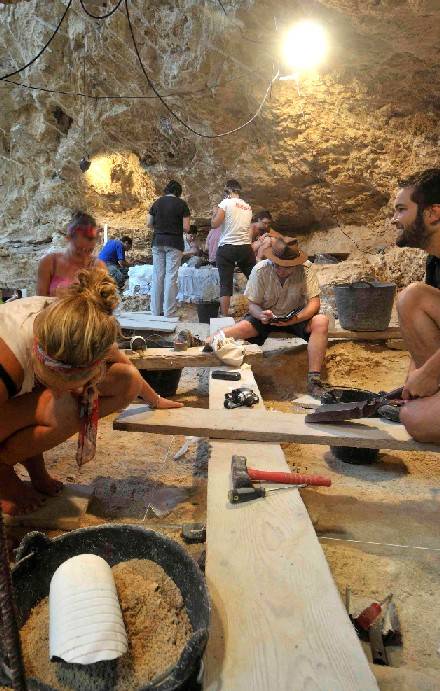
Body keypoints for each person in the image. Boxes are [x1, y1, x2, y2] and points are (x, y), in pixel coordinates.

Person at [0, 268, 182, 516]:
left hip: (26, 375)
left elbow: (129, 370)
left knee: (126, 381)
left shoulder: (83, 323)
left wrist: (156, 400)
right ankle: (4, 469)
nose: (76, 389)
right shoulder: (8, 364)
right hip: (9, 375)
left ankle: (32, 465)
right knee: (60, 412)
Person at [212, 235, 329, 396]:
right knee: (238, 329)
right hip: (266, 316)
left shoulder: (306, 269)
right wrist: (261, 315)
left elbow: (314, 302)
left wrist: (295, 319)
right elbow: (252, 304)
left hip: (296, 315)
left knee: (321, 321)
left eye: (287, 267)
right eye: (277, 265)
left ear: (296, 264)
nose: (281, 270)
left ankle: (314, 380)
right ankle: (205, 342)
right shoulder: (261, 270)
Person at [390, 168, 440, 441]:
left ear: (432, 213)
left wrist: (430, 374)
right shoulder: (434, 261)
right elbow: (422, 333)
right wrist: (415, 381)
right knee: (413, 298)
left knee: (414, 419)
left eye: (401, 210)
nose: (394, 220)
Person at [37, 211, 107, 297]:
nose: (84, 256)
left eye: (89, 250)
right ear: (69, 238)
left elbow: (104, 304)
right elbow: (40, 301)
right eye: (79, 249)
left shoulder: (98, 267)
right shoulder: (50, 263)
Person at [147, 180, 191, 317]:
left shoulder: (157, 202)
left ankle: (155, 311)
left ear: (166, 190)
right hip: (174, 243)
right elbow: (186, 227)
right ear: (178, 192)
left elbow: (149, 223)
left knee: (157, 276)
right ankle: (169, 312)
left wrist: (161, 227)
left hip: (158, 241)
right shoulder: (182, 204)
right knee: (171, 277)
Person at [212, 179, 255, 316]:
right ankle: (261, 310)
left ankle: (224, 316)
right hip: (245, 248)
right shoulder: (247, 206)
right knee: (255, 280)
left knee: (225, 284)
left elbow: (215, 224)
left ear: (228, 190)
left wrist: (214, 212)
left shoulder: (225, 203)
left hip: (227, 247)